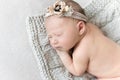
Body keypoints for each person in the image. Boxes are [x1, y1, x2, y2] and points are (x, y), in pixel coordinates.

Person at [44, 0, 120, 80]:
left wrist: (62, 53)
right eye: (50, 37)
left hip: (114, 76)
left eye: (58, 35)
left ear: (80, 28)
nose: (53, 41)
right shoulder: (92, 27)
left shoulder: (81, 52)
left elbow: (77, 71)